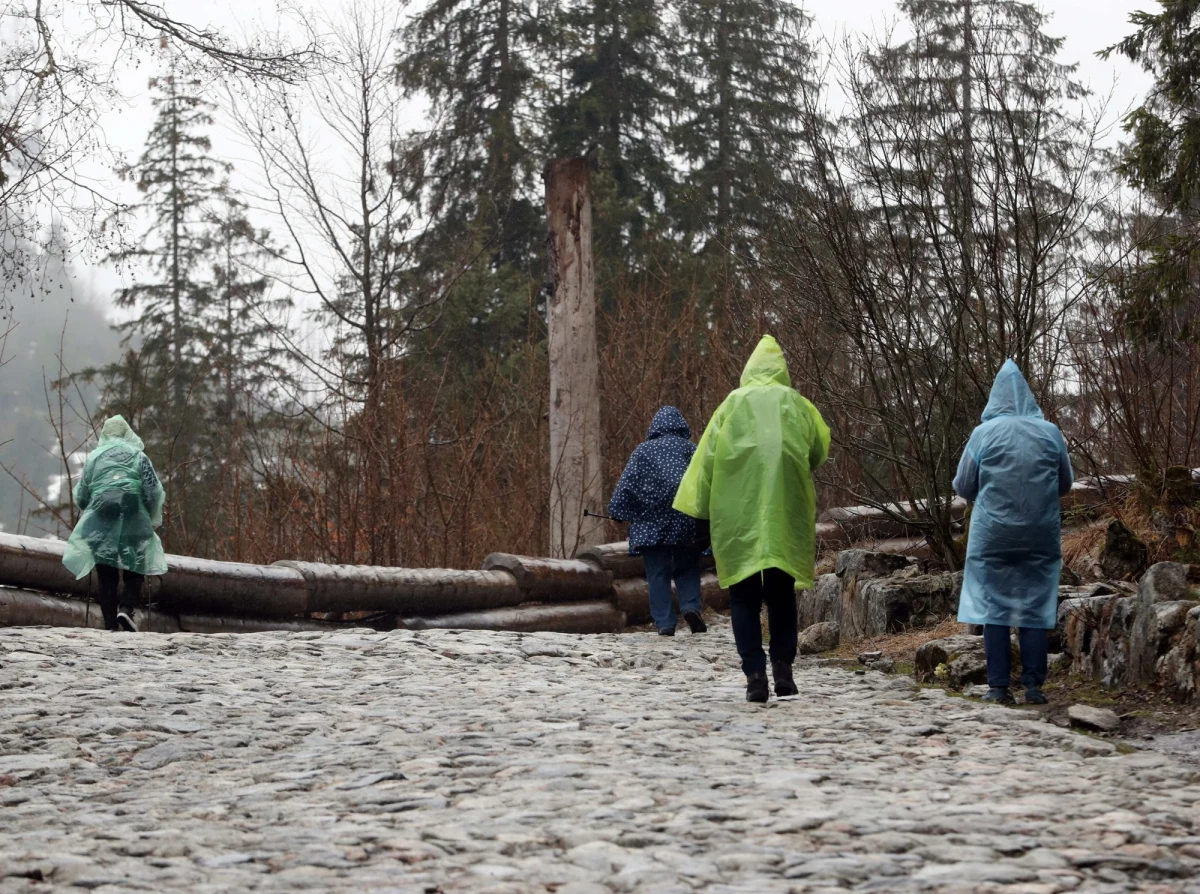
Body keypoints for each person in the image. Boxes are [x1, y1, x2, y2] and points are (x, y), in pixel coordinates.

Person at [673, 335, 830, 702]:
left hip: (736, 515)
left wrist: (700, 514)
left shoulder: (731, 404)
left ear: (749, 371)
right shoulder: (798, 404)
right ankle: (783, 669)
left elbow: (706, 461)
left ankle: (755, 675)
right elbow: (820, 449)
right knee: (780, 596)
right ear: (781, 370)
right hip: (784, 514)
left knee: (743, 598)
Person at [953, 360, 1073, 706]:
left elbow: (964, 484)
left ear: (995, 398)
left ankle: (998, 687)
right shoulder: (1050, 433)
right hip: (1039, 531)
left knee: (994, 606)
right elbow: (1064, 483)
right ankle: (1034, 687)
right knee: (1035, 605)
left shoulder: (983, 435)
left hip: (993, 533)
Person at [62, 416, 168, 632]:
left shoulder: (94, 458)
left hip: (102, 513)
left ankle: (111, 625)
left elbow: (82, 495)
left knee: (106, 571)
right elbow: (153, 490)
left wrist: (91, 506)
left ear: (105, 435)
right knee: (136, 564)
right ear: (128, 434)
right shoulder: (139, 456)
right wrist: (147, 513)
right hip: (132, 510)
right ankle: (126, 609)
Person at [609, 406, 708, 636]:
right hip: (687, 521)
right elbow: (706, 483)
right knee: (687, 568)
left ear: (655, 428)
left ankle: (664, 623)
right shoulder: (692, 450)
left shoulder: (643, 452)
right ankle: (691, 607)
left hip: (652, 523)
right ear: (682, 427)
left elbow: (627, 485)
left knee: (657, 573)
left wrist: (617, 512)